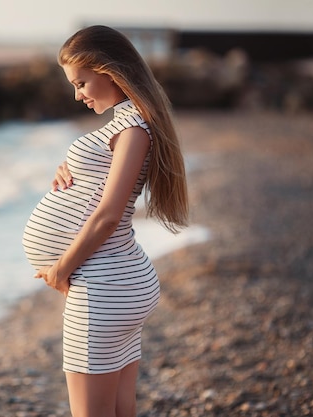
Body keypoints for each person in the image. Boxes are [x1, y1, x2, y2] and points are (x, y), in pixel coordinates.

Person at [21, 25, 189, 417]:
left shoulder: (133, 128)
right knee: (118, 409)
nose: (77, 94)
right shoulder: (127, 122)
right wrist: (71, 167)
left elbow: (109, 215)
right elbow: (103, 181)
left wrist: (62, 267)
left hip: (104, 289)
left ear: (109, 71)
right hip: (116, 284)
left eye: (81, 82)